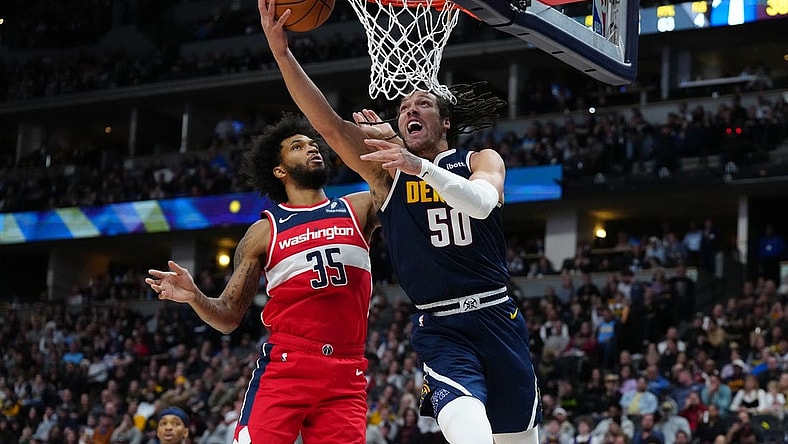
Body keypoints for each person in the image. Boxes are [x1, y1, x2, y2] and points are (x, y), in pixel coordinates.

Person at [257, 1, 541, 443]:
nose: (409, 109)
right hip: (441, 330)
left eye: (423, 103)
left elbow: (483, 203)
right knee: (471, 435)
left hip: (498, 317)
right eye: (404, 105)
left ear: (444, 120)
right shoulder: (385, 174)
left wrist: (419, 167)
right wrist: (282, 54)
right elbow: (329, 127)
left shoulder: (480, 159)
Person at [146, 114, 380, 443]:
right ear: (279, 170)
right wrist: (194, 296)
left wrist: (385, 142)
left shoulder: (359, 208)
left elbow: (399, 188)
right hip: (288, 364)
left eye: (314, 145)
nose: (312, 150)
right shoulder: (264, 232)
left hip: (347, 369)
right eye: (298, 147)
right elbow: (228, 316)